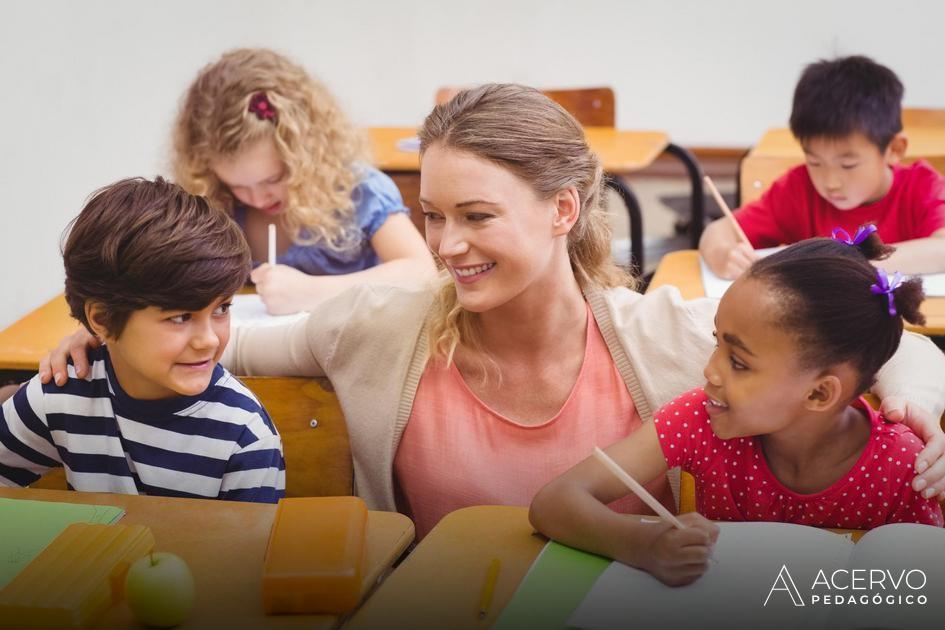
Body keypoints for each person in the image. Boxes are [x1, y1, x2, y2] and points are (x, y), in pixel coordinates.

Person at [40, 86, 945, 537]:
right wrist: (107, 330)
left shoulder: (665, 338)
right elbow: (222, 342)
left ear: (561, 210)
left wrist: (929, 399)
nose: (444, 245)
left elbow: (874, 334)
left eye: (476, 216)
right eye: (432, 215)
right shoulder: (377, 330)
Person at [530, 230, 943, 586]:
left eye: (739, 363)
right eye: (717, 343)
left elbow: (921, 586)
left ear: (819, 394)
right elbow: (554, 502)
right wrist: (641, 543)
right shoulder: (698, 420)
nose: (710, 371)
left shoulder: (906, 466)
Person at [3, 178, 285, 502]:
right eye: (180, 317)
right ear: (102, 319)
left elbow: (247, 552)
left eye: (221, 309)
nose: (208, 340)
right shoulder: (62, 391)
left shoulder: (245, 434)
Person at [173, 48, 435, 314]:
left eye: (274, 178)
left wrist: (313, 292)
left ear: (306, 153)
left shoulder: (357, 191)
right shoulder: (218, 205)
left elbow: (421, 274)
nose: (257, 198)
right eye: (237, 186)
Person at [700, 55, 945, 279]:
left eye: (848, 165)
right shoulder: (798, 190)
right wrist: (724, 255)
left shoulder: (922, 187)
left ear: (894, 150)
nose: (830, 181)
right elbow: (717, 231)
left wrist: (851, 262)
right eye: (814, 162)